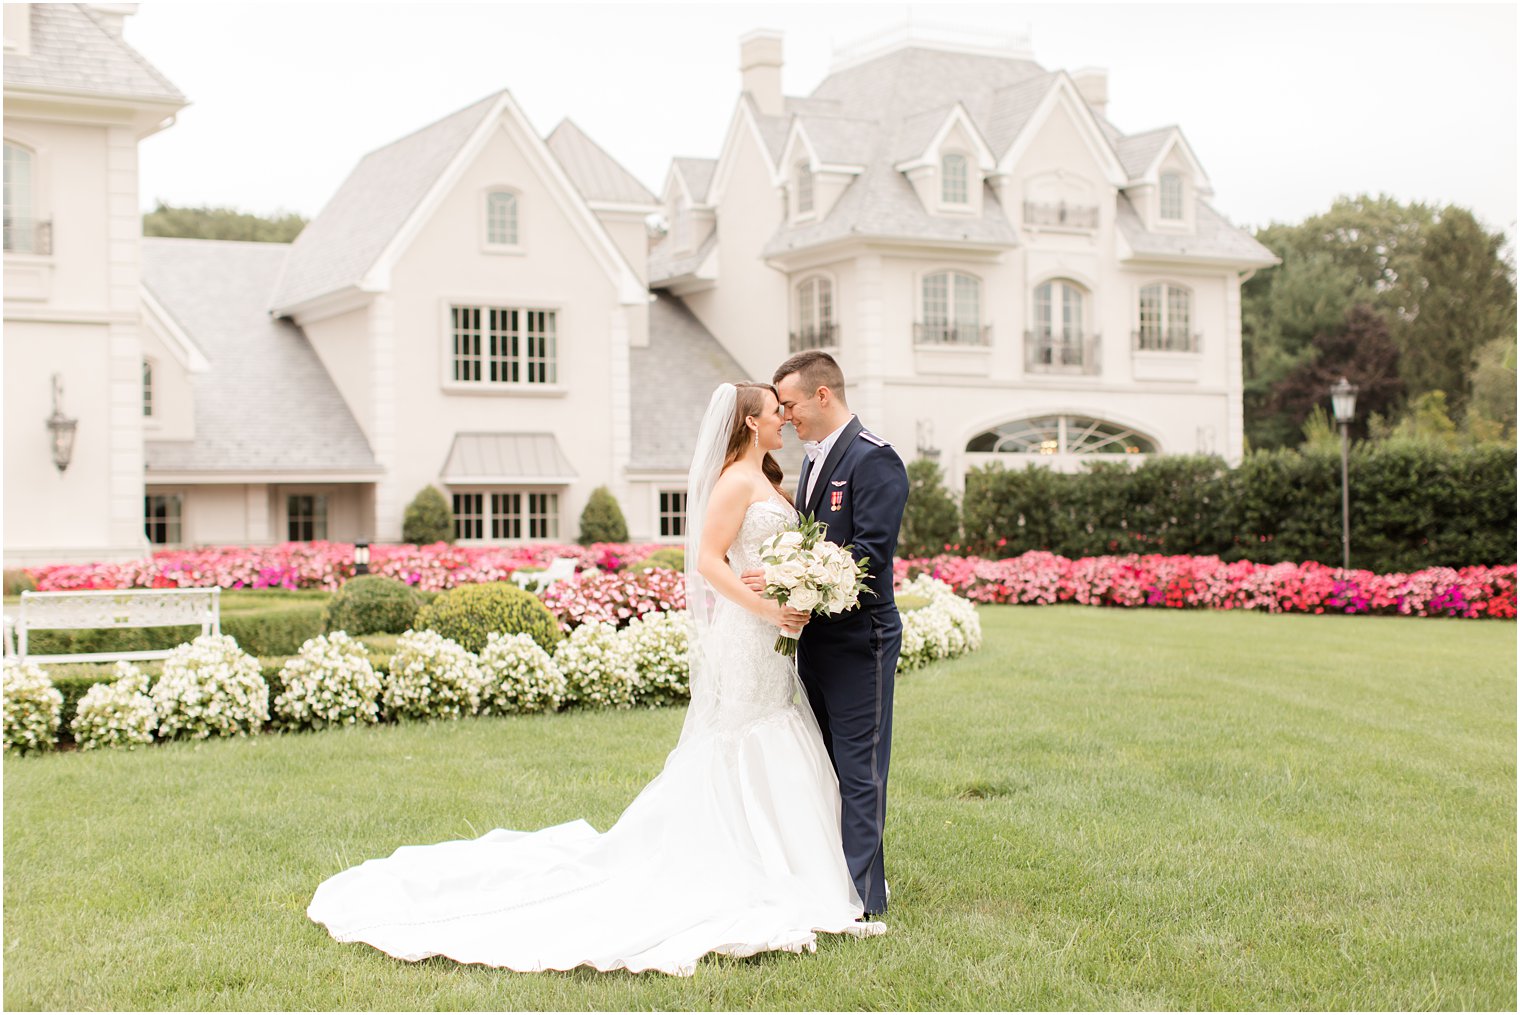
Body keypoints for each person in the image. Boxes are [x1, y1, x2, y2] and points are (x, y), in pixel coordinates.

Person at [306, 381, 884, 976]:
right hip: (749, 635)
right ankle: (740, 861)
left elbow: (757, 557)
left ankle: (787, 861)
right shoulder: (735, 482)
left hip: (774, 639)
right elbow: (711, 561)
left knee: (774, 726)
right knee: (742, 735)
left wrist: (792, 581)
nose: (783, 420)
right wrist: (765, 604)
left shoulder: (767, 478)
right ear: (747, 424)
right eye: (773, 413)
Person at [742, 351, 909, 919]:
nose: (784, 418)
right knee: (823, 765)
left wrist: (786, 578)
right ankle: (830, 881)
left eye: (789, 405)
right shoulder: (813, 462)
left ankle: (863, 899)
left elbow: (868, 556)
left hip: (862, 639)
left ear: (822, 395)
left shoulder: (874, 460)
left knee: (858, 769)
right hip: (813, 639)